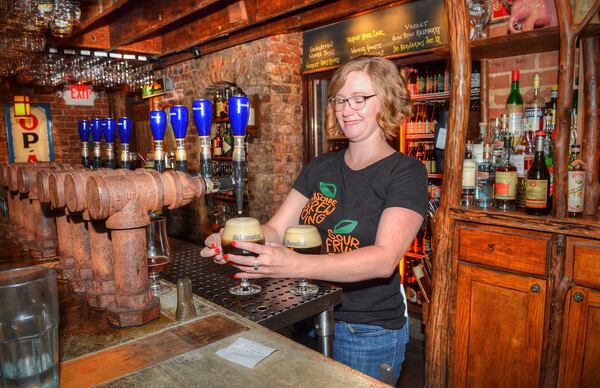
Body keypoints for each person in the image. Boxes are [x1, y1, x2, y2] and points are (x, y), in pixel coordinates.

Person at [200, 55, 428, 383]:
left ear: (387, 100)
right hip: (307, 315)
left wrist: (294, 265)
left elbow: (383, 260)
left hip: (366, 330)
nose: (347, 109)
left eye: (360, 98)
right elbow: (276, 229)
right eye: (339, 99)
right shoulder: (320, 167)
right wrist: (235, 242)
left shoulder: (405, 172)